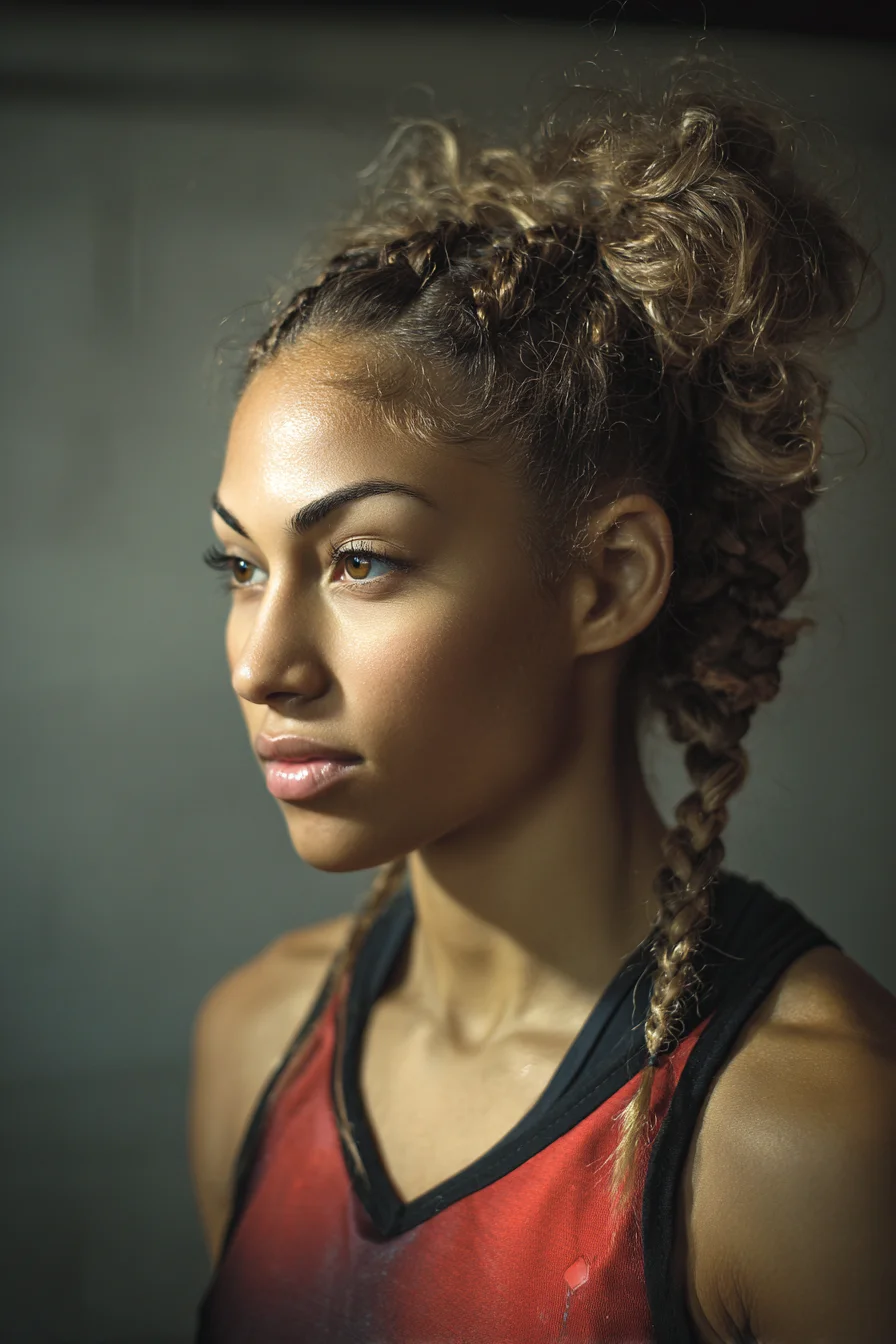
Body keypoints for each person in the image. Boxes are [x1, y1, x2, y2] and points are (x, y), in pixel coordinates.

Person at [187, 62, 895, 1344]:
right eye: (241, 566)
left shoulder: (807, 1137)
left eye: (360, 562)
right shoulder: (250, 1047)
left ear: (607, 581)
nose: (261, 661)